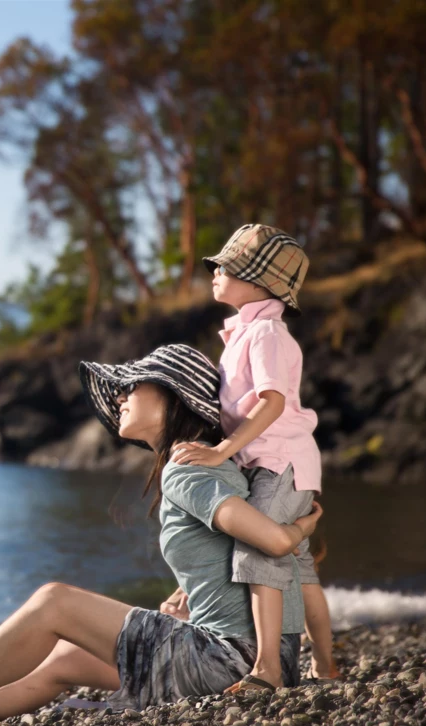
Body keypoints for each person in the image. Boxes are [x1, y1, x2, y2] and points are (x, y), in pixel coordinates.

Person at [0, 344, 322, 726]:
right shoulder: (203, 466)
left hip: (226, 663)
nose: (121, 395)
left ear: (173, 398)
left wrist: (297, 531)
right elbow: (239, 555)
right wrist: (195, 594)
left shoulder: (190, 470)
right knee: (60, 662)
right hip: (250, 656)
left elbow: (270, 541)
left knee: (53, 602)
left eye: (132, 386)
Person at [170, 224, 338, 693]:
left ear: (259, 282)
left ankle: (266, 668)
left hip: (279, 462)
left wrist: (223, 450)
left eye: (225, 266)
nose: (215, 272)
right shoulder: (247, 332)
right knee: (300, 571)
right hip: (285, 462)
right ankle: (325, 667)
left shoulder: (265, 333)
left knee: (261, 552)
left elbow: (273, 401)